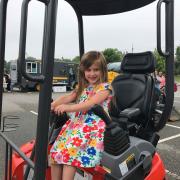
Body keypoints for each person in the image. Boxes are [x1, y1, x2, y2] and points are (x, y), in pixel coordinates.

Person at [50, 51, 112, 180]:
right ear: (84, 70)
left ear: (103, 70)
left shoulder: (105, 88)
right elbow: (69, 96)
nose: (92, 73)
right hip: (77, 126)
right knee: (54, 153)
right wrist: (52, 104)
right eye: (88, 70)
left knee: (69, 156)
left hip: (92, 128)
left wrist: (69, 107)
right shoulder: (83, 86)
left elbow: (90, 104)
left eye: (96, 70)